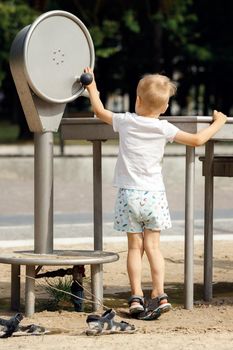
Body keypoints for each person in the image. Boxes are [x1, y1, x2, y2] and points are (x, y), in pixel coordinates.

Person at [84, 67, 227, 320]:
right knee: (154, 247)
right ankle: (159, 294)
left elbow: (99, 111)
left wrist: (92, 86)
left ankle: (136, 296)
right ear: (164, 107)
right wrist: (219, 122)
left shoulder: (126, 121)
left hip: (128, 195)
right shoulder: (163, 128)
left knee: (134, 247)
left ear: (137, 100)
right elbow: (196, 141)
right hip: (154, 196)